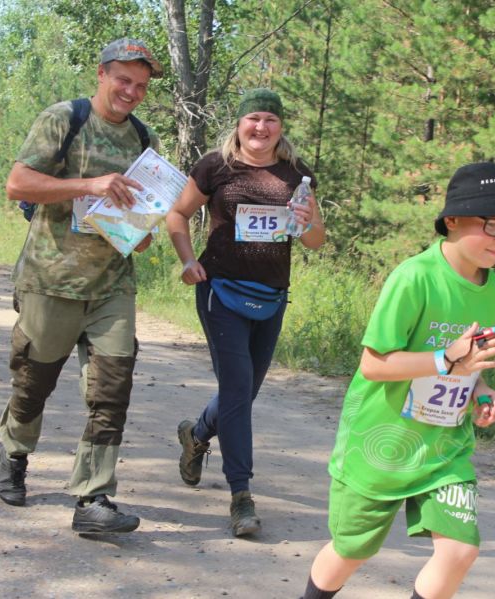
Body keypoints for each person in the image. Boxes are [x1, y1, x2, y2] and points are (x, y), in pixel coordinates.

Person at [299, 162, 495, 599]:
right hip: (381, 443)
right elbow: (373, 365)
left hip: (445, 447)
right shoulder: (414, 278)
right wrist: (445, 361)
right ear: (452, 220)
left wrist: (481, 389)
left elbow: (471, 357)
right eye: (491, 226)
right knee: (351, 551)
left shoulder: (490, 285)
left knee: (460, 550)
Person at [0, 38, 164, 534]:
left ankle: (93, 498)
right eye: (123, 81)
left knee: (112, 390)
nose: (131, 92)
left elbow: (141, 217)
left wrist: (141, 228)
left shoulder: (142, 137)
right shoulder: (63, 119)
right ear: (102, 74)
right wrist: (87, 185)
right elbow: (18, 184)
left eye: (141, 85)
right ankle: (14, 451)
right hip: (51, 280)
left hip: (112, 284)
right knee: (34, 381)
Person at [165, 88, 326, 537]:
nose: (261, 127)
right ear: (239, 124)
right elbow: (177, 215)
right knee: (237, 391)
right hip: (220, 292)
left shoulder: (297, 174)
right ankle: (241, 496)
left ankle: (196, 436)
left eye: (270, 120)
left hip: (271, 297)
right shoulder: (214, 167)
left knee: (243, 395)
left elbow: (315, 240)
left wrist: (309, 218)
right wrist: (187, 260)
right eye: (253, 118)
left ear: (281, 127)